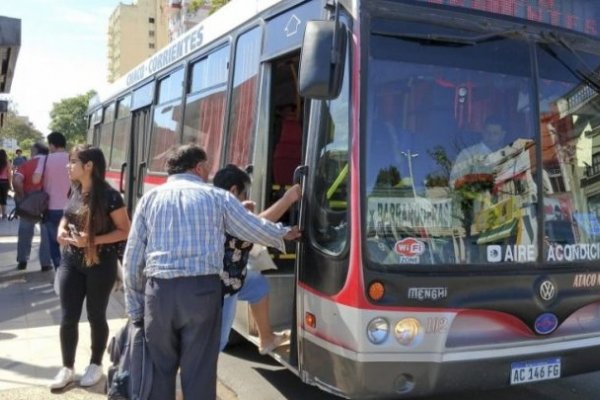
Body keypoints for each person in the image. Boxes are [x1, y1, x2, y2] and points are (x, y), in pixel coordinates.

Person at [123, 144, 301, 400]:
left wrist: (137, 308)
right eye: (207, 166)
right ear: (198, 167)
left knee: (160, 371)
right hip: (202, 292)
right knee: (199, 373)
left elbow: (132, 260)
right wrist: (284, 233)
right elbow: (253, 229)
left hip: (159, 293)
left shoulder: (149, 199)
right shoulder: (218, 198)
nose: (209, 172)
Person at [49, 145, 131, 390]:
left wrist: (92, 240)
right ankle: (67, 367)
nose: (68, 166)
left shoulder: (111, 196)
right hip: (71, 261)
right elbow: (66, 215)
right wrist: (61, 229)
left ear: (89, 166)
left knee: (96, 315)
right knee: (68, 316)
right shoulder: (74, 189)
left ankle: (95, 364)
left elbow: (124, 231)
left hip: (100, 263)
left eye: (73, 161)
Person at [214, 164, 301, 354]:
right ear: (234, 191)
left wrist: (244, 211)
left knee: (257, 286)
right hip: (224, 285)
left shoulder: (215, 204)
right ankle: (200, 381)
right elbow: (257, 229)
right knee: (217, 344)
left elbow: (250, 227)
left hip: (231, 277)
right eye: (244, 194)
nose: (246, 199)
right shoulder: (227, 211)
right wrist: (287, 200)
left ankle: (267, 339)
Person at [33, 131, 70, 269]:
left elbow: (35, 179)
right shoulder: (73, 158)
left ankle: (59, 269)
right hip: (71, 208)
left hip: (51, 208)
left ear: (52, 145)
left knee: (53, 242)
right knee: (70, 241)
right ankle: (70, 271)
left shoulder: (45, 159)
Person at [13, 143, 53, 271]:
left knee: (25, 230)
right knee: (46, 232)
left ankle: (22, 260)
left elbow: (17, 181)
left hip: (29, 199)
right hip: (48, 200)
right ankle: (46, 263)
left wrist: (21, 196)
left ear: (35, 151)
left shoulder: (27, 164)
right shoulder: (51, 164)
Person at [449, 116, 507, 189]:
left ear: (502, 135)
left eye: (495, 133)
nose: (490, 136)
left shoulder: (508, 154)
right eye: (487, 132)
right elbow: (455, 183)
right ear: (483, 132)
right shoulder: (467, 154)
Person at [0, 149, 12, 219]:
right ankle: (4, 214)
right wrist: (10, 184)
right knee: (4, 198)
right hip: (5, 182)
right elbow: (9, 174)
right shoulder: (7, 162)